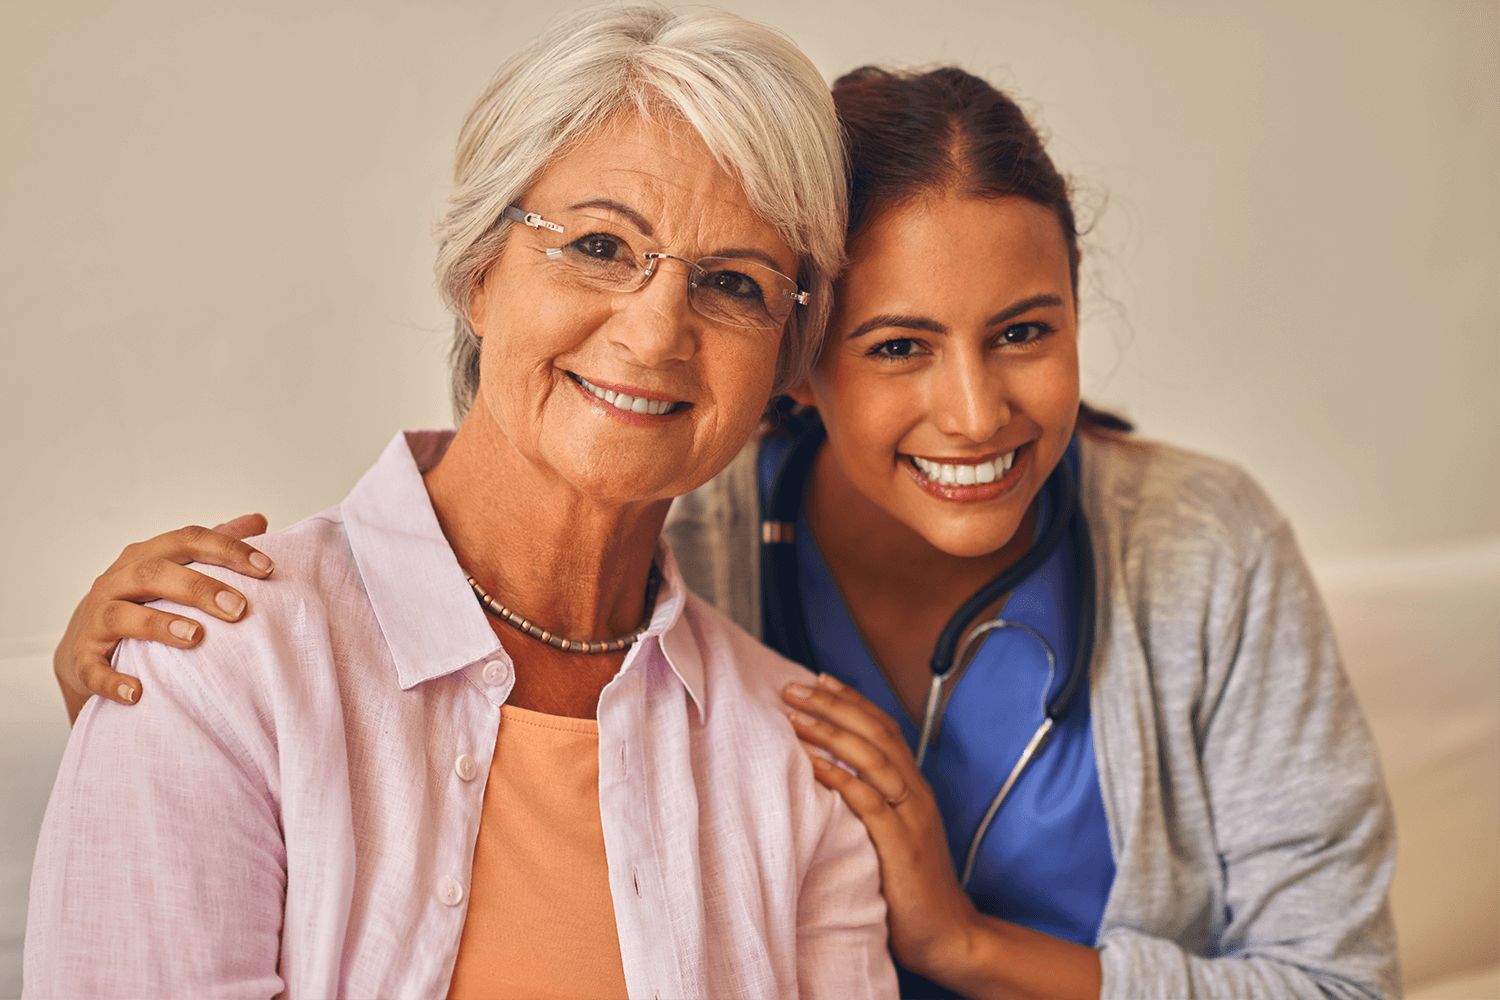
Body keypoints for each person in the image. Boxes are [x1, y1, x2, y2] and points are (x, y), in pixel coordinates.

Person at [47, 62, 1400, 1000]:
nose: (975, 407)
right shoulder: (678, 527)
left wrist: (966, 948)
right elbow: (483, 524)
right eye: (898, 345)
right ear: (801, 367)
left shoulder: (1197, 548)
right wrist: (149, 672)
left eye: (1026, 332)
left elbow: (1341, 979)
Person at [24, 6, 898, 999]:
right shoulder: (215, 659)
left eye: (734, 283)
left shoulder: (798, 765)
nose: (655, 334)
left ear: (785, 362)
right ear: (481, 272)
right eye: (603, 245)